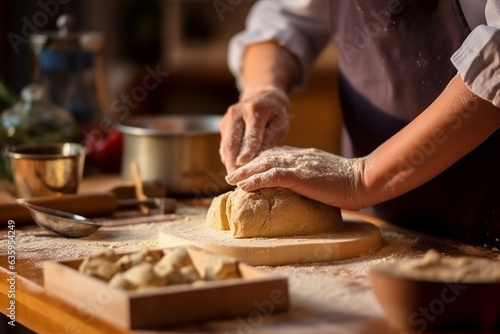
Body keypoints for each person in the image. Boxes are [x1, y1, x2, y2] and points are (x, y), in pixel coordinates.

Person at [218, 0, 500, 248]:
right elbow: (284, 18)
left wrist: (361, 178)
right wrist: (264, 90)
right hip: (379, 226)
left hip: (488, 221)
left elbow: (495, 65)